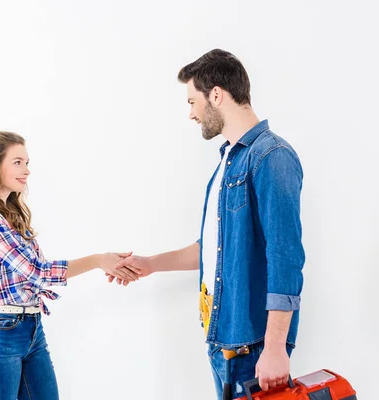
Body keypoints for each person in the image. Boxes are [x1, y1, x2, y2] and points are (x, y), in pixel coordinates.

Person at [110, 49, 305, 399]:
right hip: (223, 340)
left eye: (192, 101)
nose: (191, 114)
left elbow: (285, 257)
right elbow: (214, 248)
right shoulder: (228, 161)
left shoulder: (271, 156)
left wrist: (276, 347)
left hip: (253, 348)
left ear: (216, 94)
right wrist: (151, 265)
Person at [0, 131, 138, 400]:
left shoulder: (10, 215)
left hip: (31, 329)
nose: (27, 170)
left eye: (27, 162)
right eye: (18, 162)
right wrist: (98, 260)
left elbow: (36, 270)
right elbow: (37, 272)